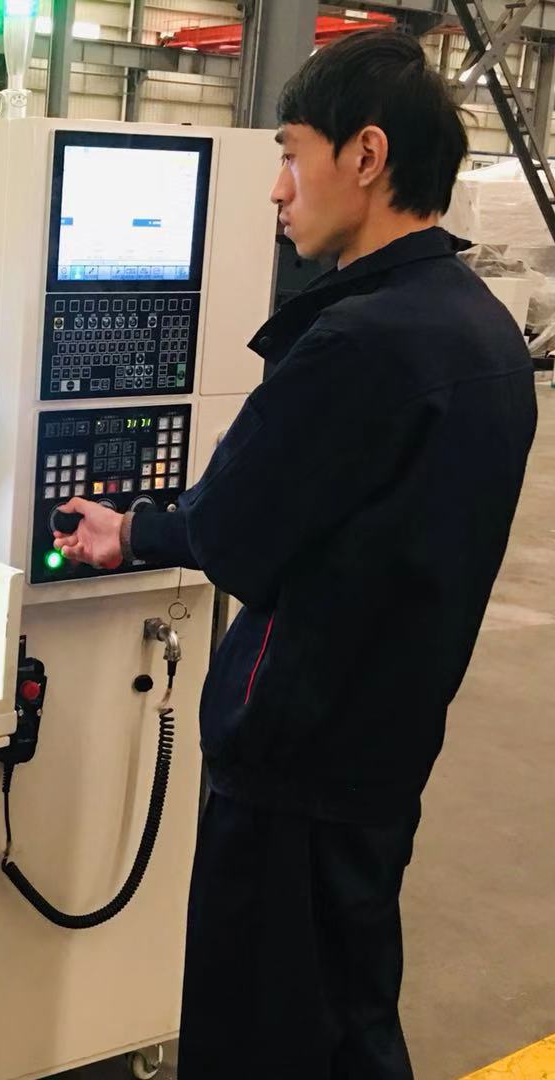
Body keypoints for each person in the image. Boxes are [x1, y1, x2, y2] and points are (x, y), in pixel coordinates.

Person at [54, 29, 535, 1080]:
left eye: (291, 154)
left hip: (294, 765)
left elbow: (236, 526)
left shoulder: (360, 342)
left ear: (365, 155)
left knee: (261, 1034)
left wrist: (128, 528)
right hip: (384, 748)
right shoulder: (485, 333)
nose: (277, 189)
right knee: (347, 1011)